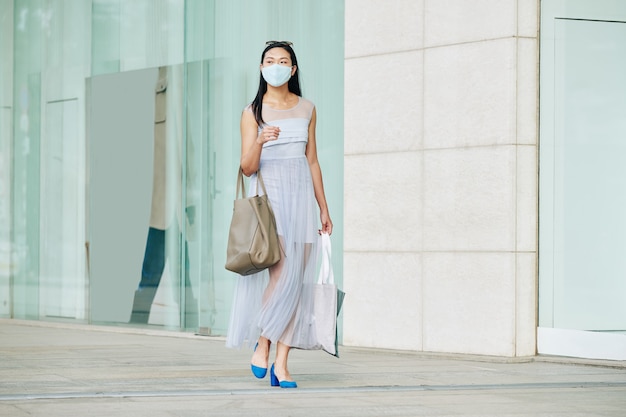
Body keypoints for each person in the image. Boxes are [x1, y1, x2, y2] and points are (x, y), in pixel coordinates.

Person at [225, 41, 333, 389]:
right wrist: (260, 139)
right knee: (283, 275)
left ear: (293, 69)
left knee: (298, 282)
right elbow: (246, 168)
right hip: (270, 203)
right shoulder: (251, 112)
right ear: (261, 68)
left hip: (301, 199)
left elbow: (312, 161)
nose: (276, 65)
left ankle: (282, 364)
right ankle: (263, 341)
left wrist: (324, 208)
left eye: (283, 61)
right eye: (270, 60)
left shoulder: (308, 109)